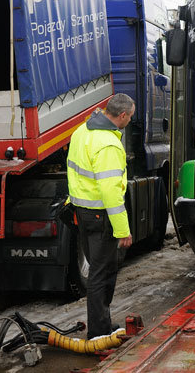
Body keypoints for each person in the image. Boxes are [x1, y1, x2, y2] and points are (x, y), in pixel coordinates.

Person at [67, 93, 134, 339]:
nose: (130, 122)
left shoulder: (82, 131)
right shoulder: (108, 144)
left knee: (100, 271)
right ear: (123, 115)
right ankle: (98, 332)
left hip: (83, 212)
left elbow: (74, 171)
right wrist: (123, 230)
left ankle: (103, 325)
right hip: (100, 215)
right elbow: (110, 192)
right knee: (102, 273)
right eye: (130, 117)